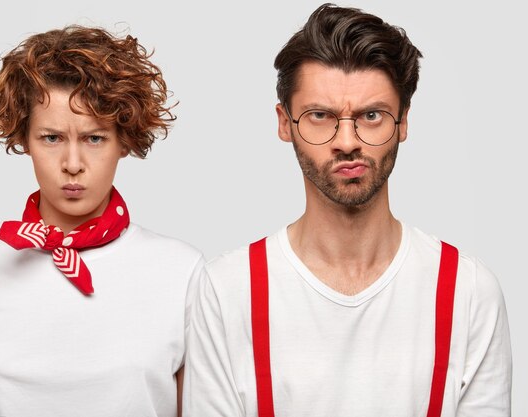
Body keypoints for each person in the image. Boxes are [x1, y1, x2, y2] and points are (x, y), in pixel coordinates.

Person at [183, 4, 511, 416]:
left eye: (371, 115)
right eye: (320, 116)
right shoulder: (227, 290)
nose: (347, 141)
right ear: (285, 123)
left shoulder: (468, 290)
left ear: (403, 121)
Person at [0, 25, 203, 417]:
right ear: (24, 140)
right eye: (51, 138)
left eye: (94, 138)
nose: (72, 164)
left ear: (124, 141)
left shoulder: (182, 272)